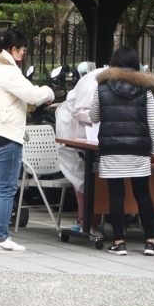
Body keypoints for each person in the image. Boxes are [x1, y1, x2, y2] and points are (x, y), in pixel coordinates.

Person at [0, 29, 54, 254]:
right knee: (6, 190)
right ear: (13, 49)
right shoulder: (7, 70)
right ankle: (1, 239)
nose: (22, 55)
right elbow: (32, 94)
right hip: (6, 134)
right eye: (22, 50)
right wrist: (48, 91)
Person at [90, 46, 154, 257]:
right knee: (143, 193)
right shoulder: (145, 88)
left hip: (111, 148)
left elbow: (94, 116)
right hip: (138, 148)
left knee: (116, 194)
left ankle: (119, 243)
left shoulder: (102, 86)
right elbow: (153, 123)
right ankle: (150, 242)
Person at [55, 61, 105, 230]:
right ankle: (86, 221)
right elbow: (79, 111)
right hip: (74, 131)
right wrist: (106, 116)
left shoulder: (114, 81)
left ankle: (92, 221)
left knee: (95, 175)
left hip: (91, 132)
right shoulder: (92, 82)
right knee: (83, 177)